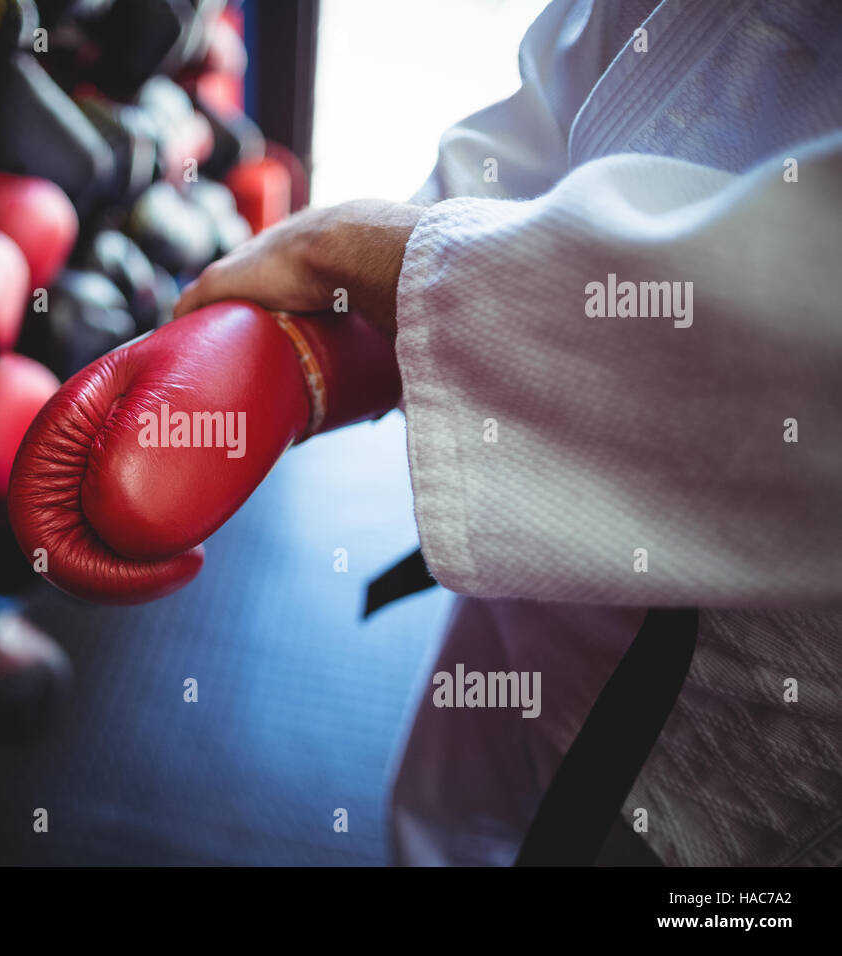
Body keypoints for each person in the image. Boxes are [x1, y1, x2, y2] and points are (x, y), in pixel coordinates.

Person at [176, 0, 842, 866]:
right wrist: (336, 347)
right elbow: (583, 92)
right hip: (541, 576)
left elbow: (804, 314)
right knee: (454, 814)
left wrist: (371, 258)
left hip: (765, 729)